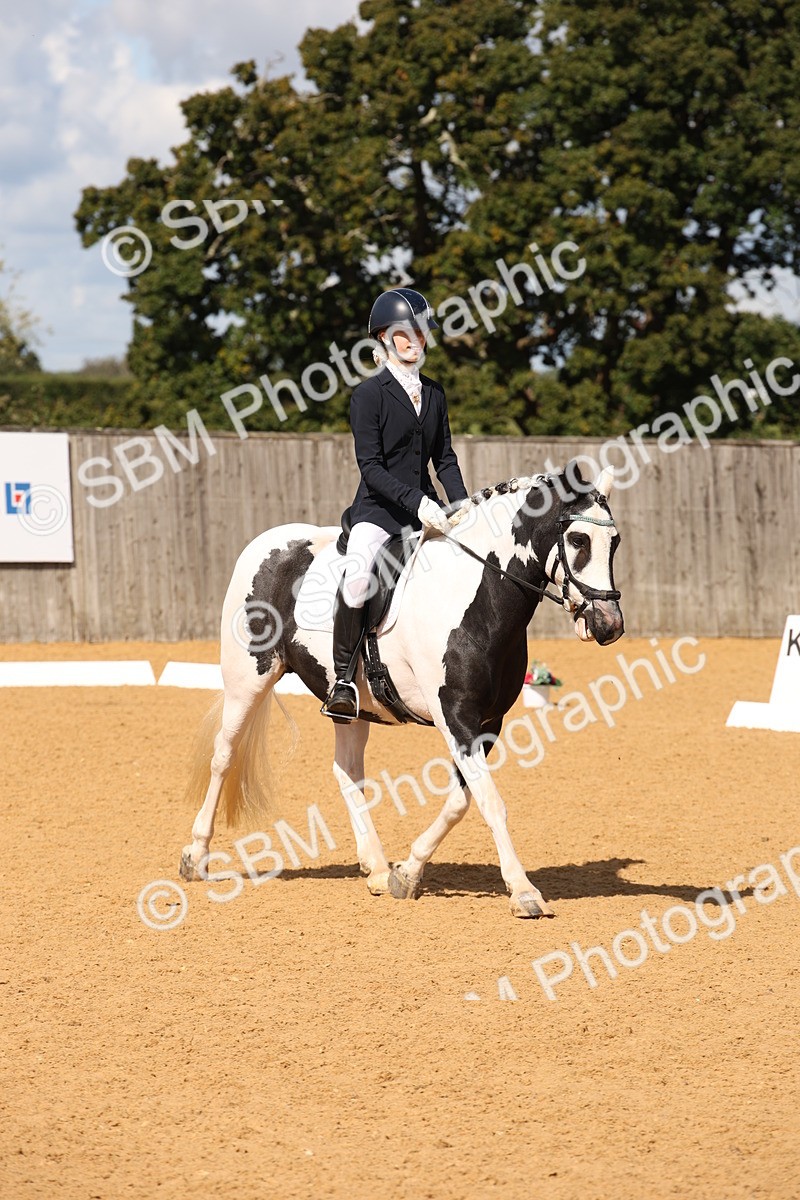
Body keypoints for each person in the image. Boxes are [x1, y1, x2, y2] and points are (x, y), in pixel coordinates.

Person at [321, 287, 469, 721]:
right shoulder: (369, 396)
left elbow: (444, 458)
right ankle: (344, 681)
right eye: (406, 333)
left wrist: (460, 504)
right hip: (379, 512)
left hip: (424, 511)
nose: (416, 341)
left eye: (422, 333)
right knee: (358, 575)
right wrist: (418, 500)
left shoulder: (435, 393)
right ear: (384, 338)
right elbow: (371, 467)